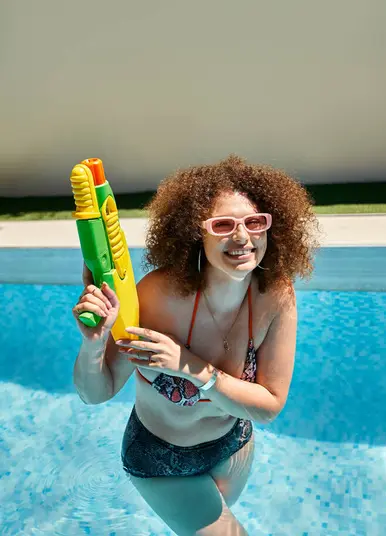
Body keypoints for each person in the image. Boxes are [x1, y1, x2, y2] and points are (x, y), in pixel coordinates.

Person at [73, 154, 319, 535]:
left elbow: (269, 406)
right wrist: (94, 342)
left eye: (255, 223)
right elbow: (98, 391)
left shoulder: (275, 295)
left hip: (233, 446)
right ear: (195, 234)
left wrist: (187, 364)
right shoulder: (156, 297)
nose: (242, 238)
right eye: (223, 225)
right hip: (160, 459)